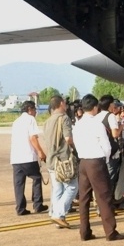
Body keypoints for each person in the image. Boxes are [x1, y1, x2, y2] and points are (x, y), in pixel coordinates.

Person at [70, 94, 124, 242]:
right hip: (96, 162)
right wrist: (105, 159)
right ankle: (110, 231)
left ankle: (85, 231)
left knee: (84, 198)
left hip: (83, 162)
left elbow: (75, 144)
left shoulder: (77, 125)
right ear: (95, 108)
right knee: (104, 197)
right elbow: (107, 146)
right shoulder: (97, 124)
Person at [43, 95, 77, 229]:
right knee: (72, 187)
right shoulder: (64, 119)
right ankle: (59, 214)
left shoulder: (47, 121)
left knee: (57, 189)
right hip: (63, 160)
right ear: (61, 104)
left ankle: (55, 214)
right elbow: (68, 138)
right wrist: (75, 147)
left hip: (51, 160)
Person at [10, 100, 47, 216]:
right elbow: (33, 138)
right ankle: (37, 204)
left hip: (16, 158)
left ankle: (20, 208)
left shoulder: (16, 121)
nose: (36, 112)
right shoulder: (30, 119)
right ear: (30, 109)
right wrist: (40, 152)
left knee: (19, 184)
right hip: (28, 156)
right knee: (36, 178)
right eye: (35, 109)